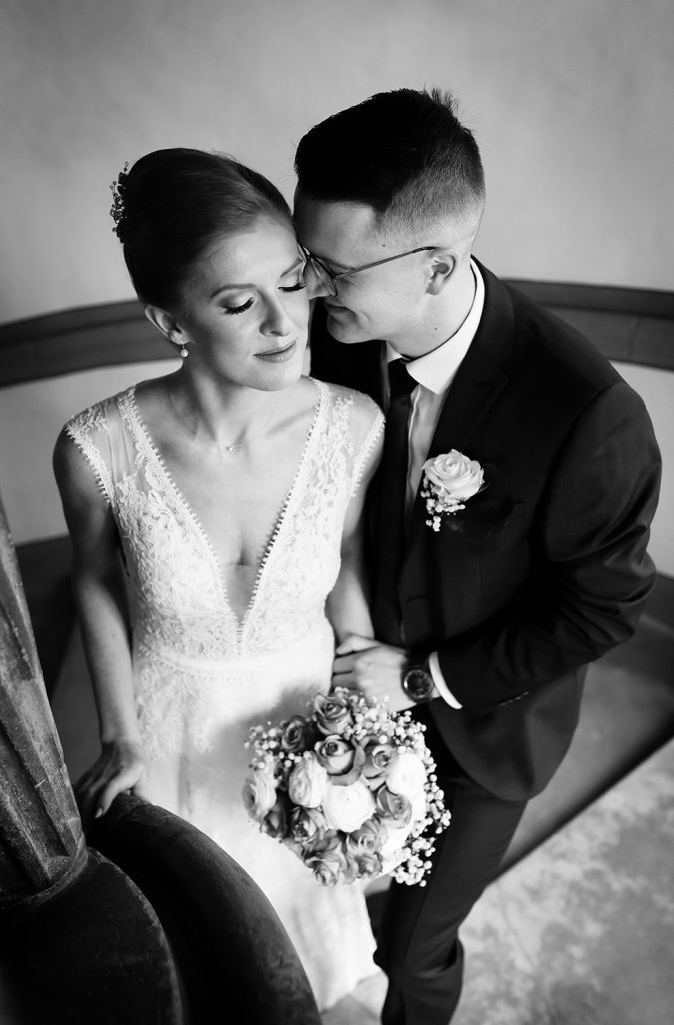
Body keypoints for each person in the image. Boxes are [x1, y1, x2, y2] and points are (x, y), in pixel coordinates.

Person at [293, 87, 661, 1024]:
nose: (310, 288)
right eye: (307, 258)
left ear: (437, 266)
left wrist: (418, 678)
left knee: (410, 951)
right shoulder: (331, 342)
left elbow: (601, 608)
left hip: (481, 726)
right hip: (334, 671)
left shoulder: (585, 412)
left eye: (332, 268)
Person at [53, 148, 383, 1010]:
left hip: (303, 708)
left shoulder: (354, 426)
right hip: (173, 721)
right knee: (201, 955)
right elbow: (91, 581)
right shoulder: (98, 447)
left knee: (304, 956)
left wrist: (361, 670)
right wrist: (121, 734)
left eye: (293, 281)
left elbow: (345, 557)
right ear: (171, 321)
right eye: (240, 303)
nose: (286, 322)